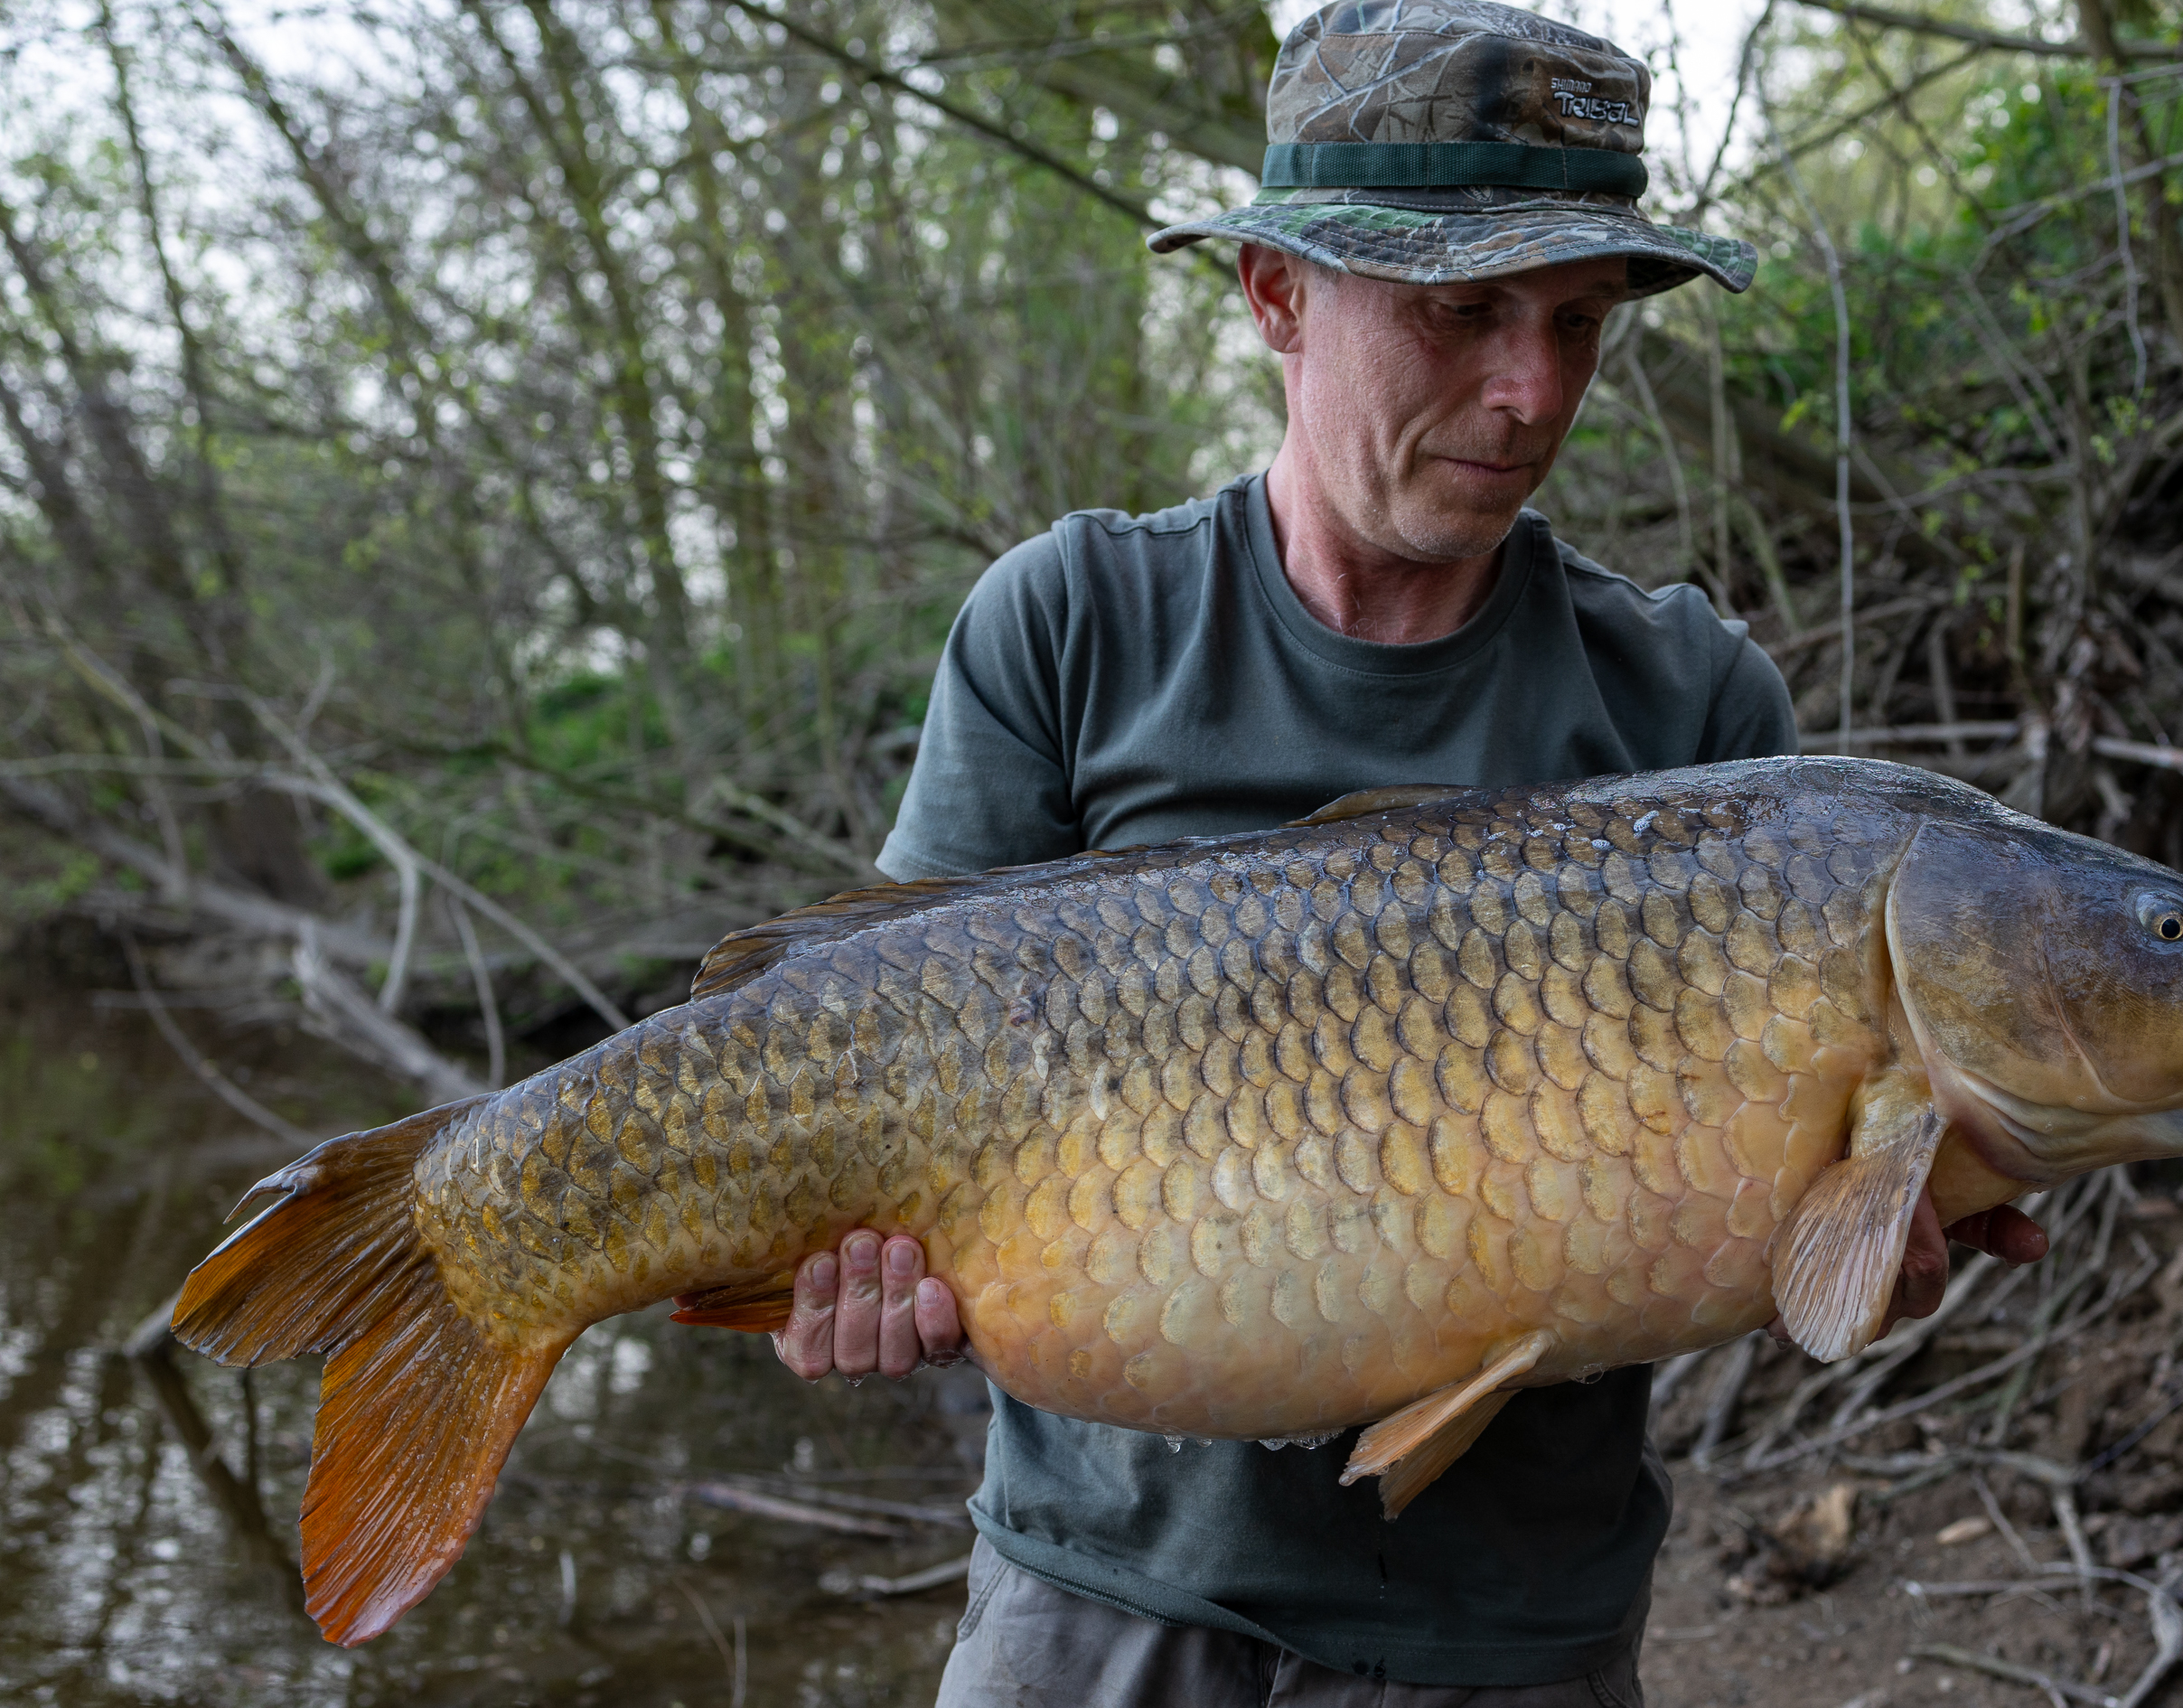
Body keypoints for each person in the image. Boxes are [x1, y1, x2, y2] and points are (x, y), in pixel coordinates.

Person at [769, 5, 2047, 1702]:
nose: (1531, 393)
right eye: (1461, 315)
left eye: (1579, 322)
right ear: (1276, 297)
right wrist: (820, 1276)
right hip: (1097, 1597)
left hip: (1508, 1637)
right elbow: (870, 1064)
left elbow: (1784, 1234)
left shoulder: (1689, 699)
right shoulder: (1071, 623)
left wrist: (1864, 1246)